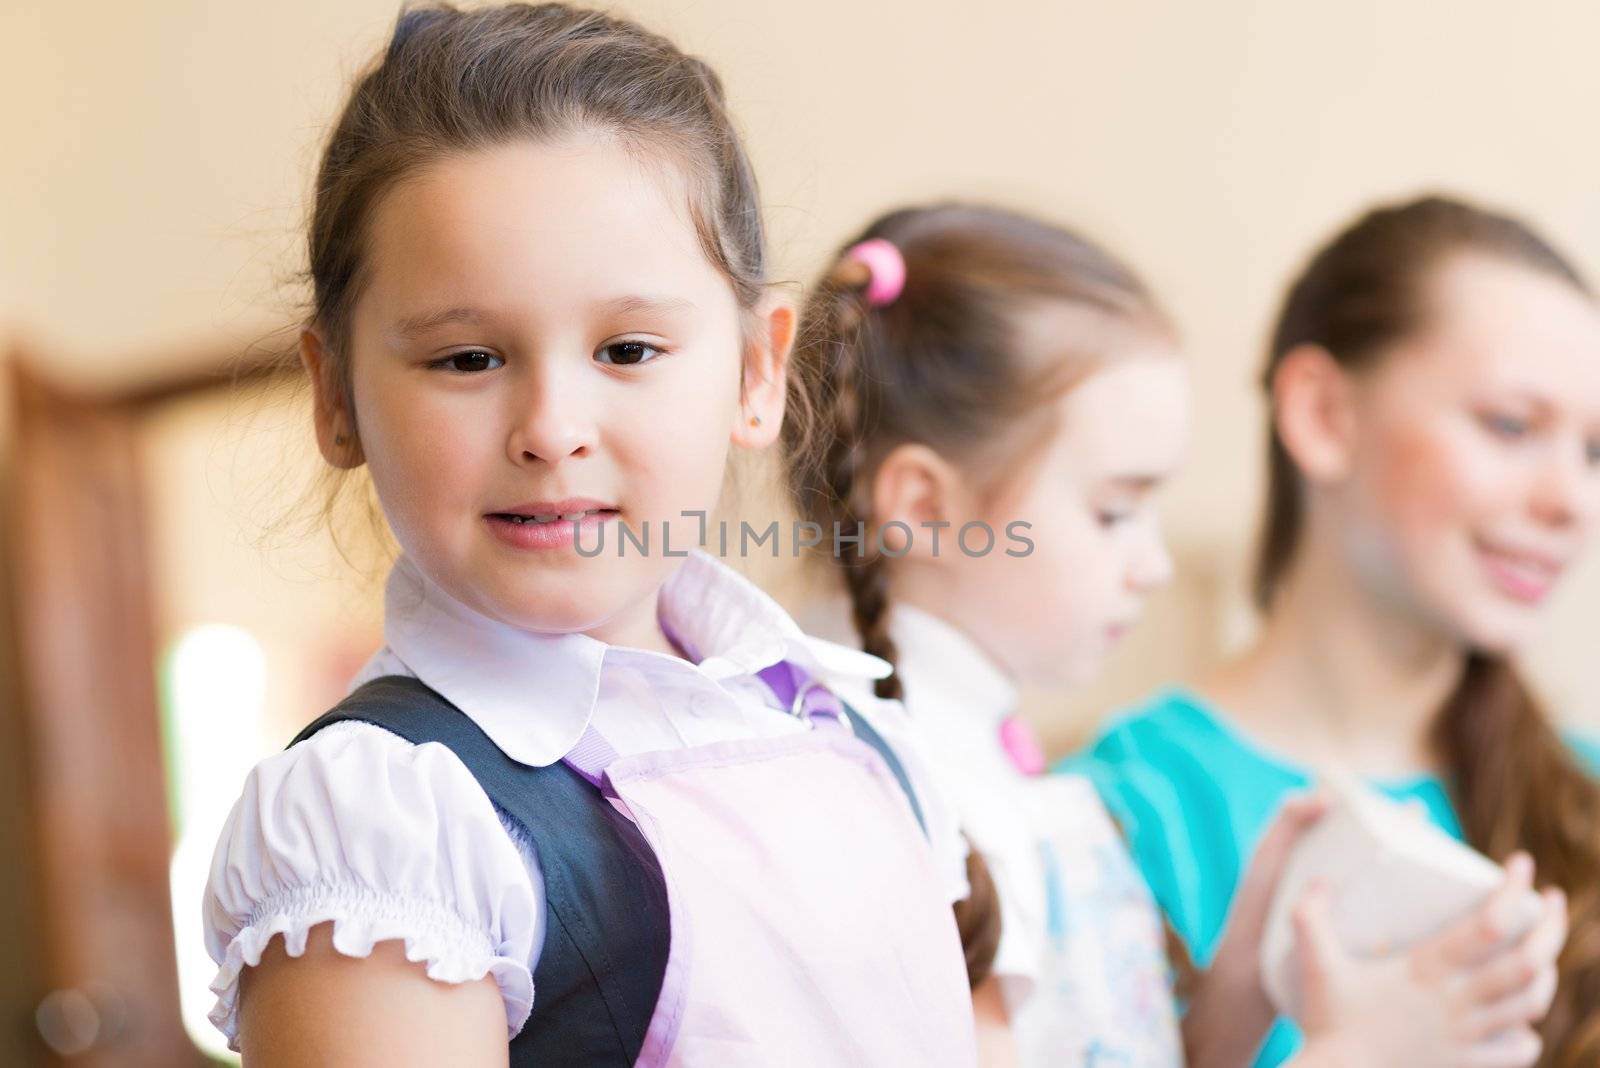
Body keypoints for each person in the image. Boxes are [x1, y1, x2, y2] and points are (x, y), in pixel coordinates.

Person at [200, 6, 982, 1064]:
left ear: (757, 371)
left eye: (627, 348)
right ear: (335, 396)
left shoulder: (842, 723)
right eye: (467, 359)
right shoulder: (396, 821)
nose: (551, 431)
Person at [1067, 194, 1594, 1067]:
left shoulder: (1583, 791)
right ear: (1321, 415)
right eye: (1511, 425)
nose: (1572, 501)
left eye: (1594, 452)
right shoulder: (1123, 816)